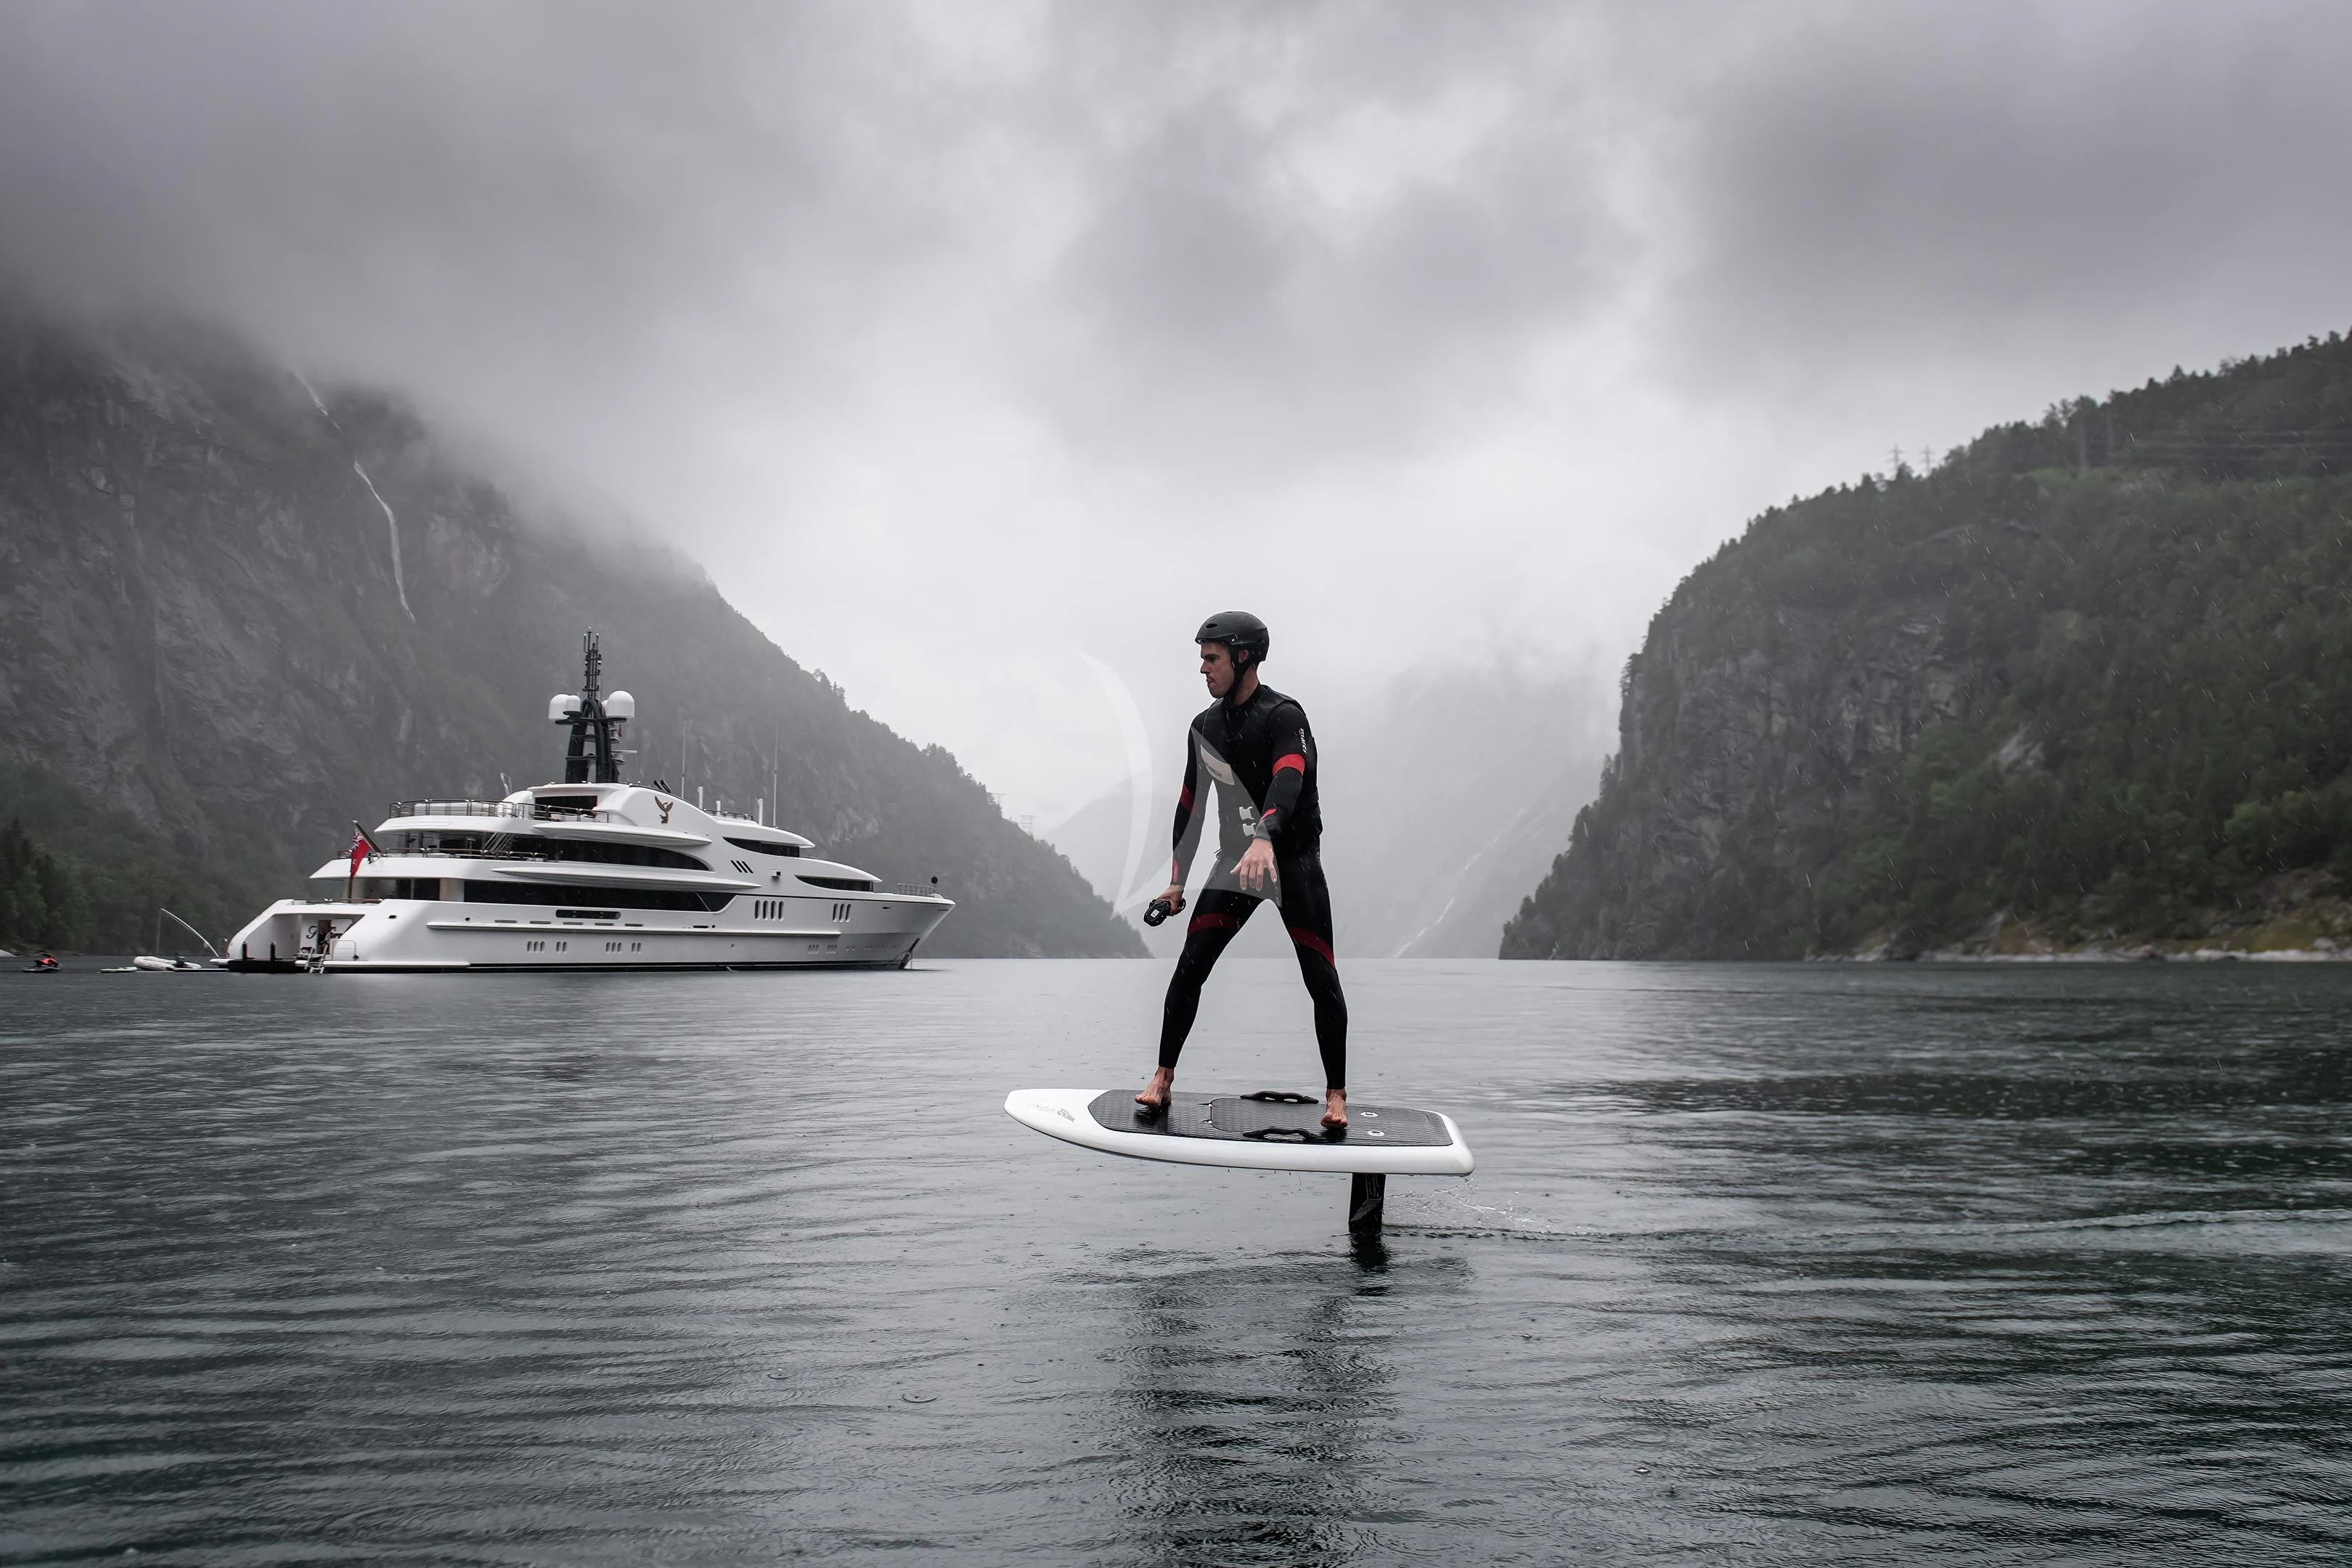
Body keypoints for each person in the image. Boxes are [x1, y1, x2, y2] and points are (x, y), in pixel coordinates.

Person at [1137, 611, 1349, 1131]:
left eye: (1212, 658)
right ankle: (1162, 1080)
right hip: (1236, 864)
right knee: (1191, 964)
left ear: (1244, 657)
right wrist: (1176, 880)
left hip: (1291, 861)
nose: (1203, 669)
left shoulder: (1284, 717)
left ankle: (1337, 1095)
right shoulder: (1204, 727)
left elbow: (1289, 780)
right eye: (1202, 659)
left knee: (1319, 976)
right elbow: (1191, 806)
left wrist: (1264, 838)